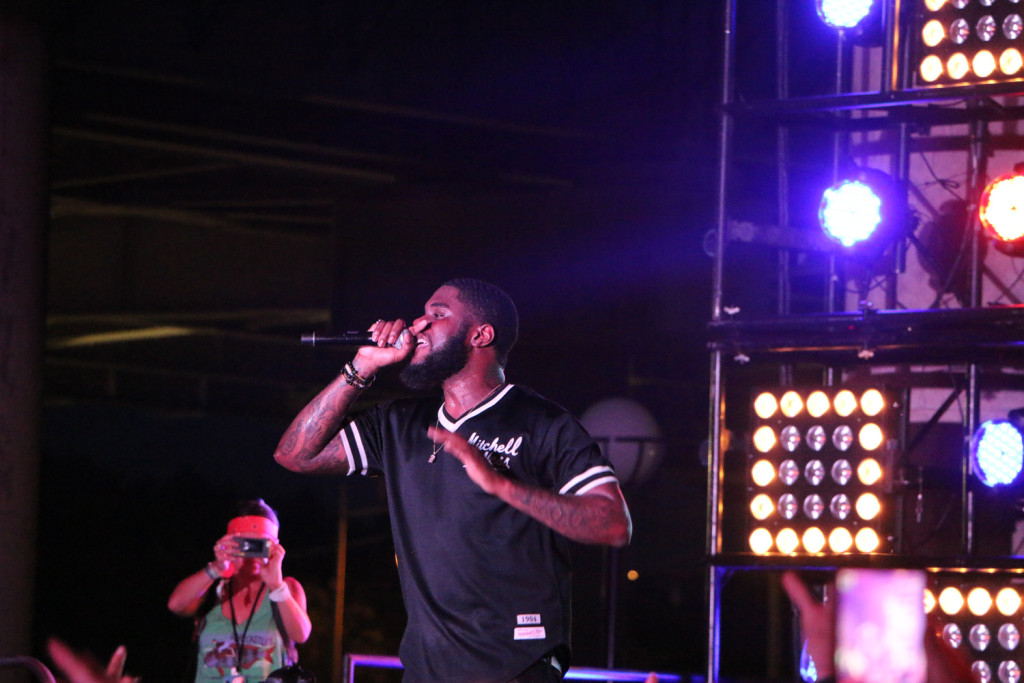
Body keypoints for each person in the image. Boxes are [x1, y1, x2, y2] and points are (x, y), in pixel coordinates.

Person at [273, 278, 632, 682]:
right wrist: (362, 367)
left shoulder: (542, 423)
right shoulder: (399, 422)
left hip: (515, 665)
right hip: (428, 669)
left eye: (437, 315)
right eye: (422, 314)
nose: (418, 325)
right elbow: (295, 455)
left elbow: (614, 524)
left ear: (481, 334)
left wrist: (502, 487)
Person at [168, 500, 312, 683]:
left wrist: (276, 585)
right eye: (243, 544)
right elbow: (175, 605)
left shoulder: (286, 589)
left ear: (274, 546)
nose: (251, 553)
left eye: (259, 545)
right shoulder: (213, 588)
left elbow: (301, 634)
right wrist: (216, 569)